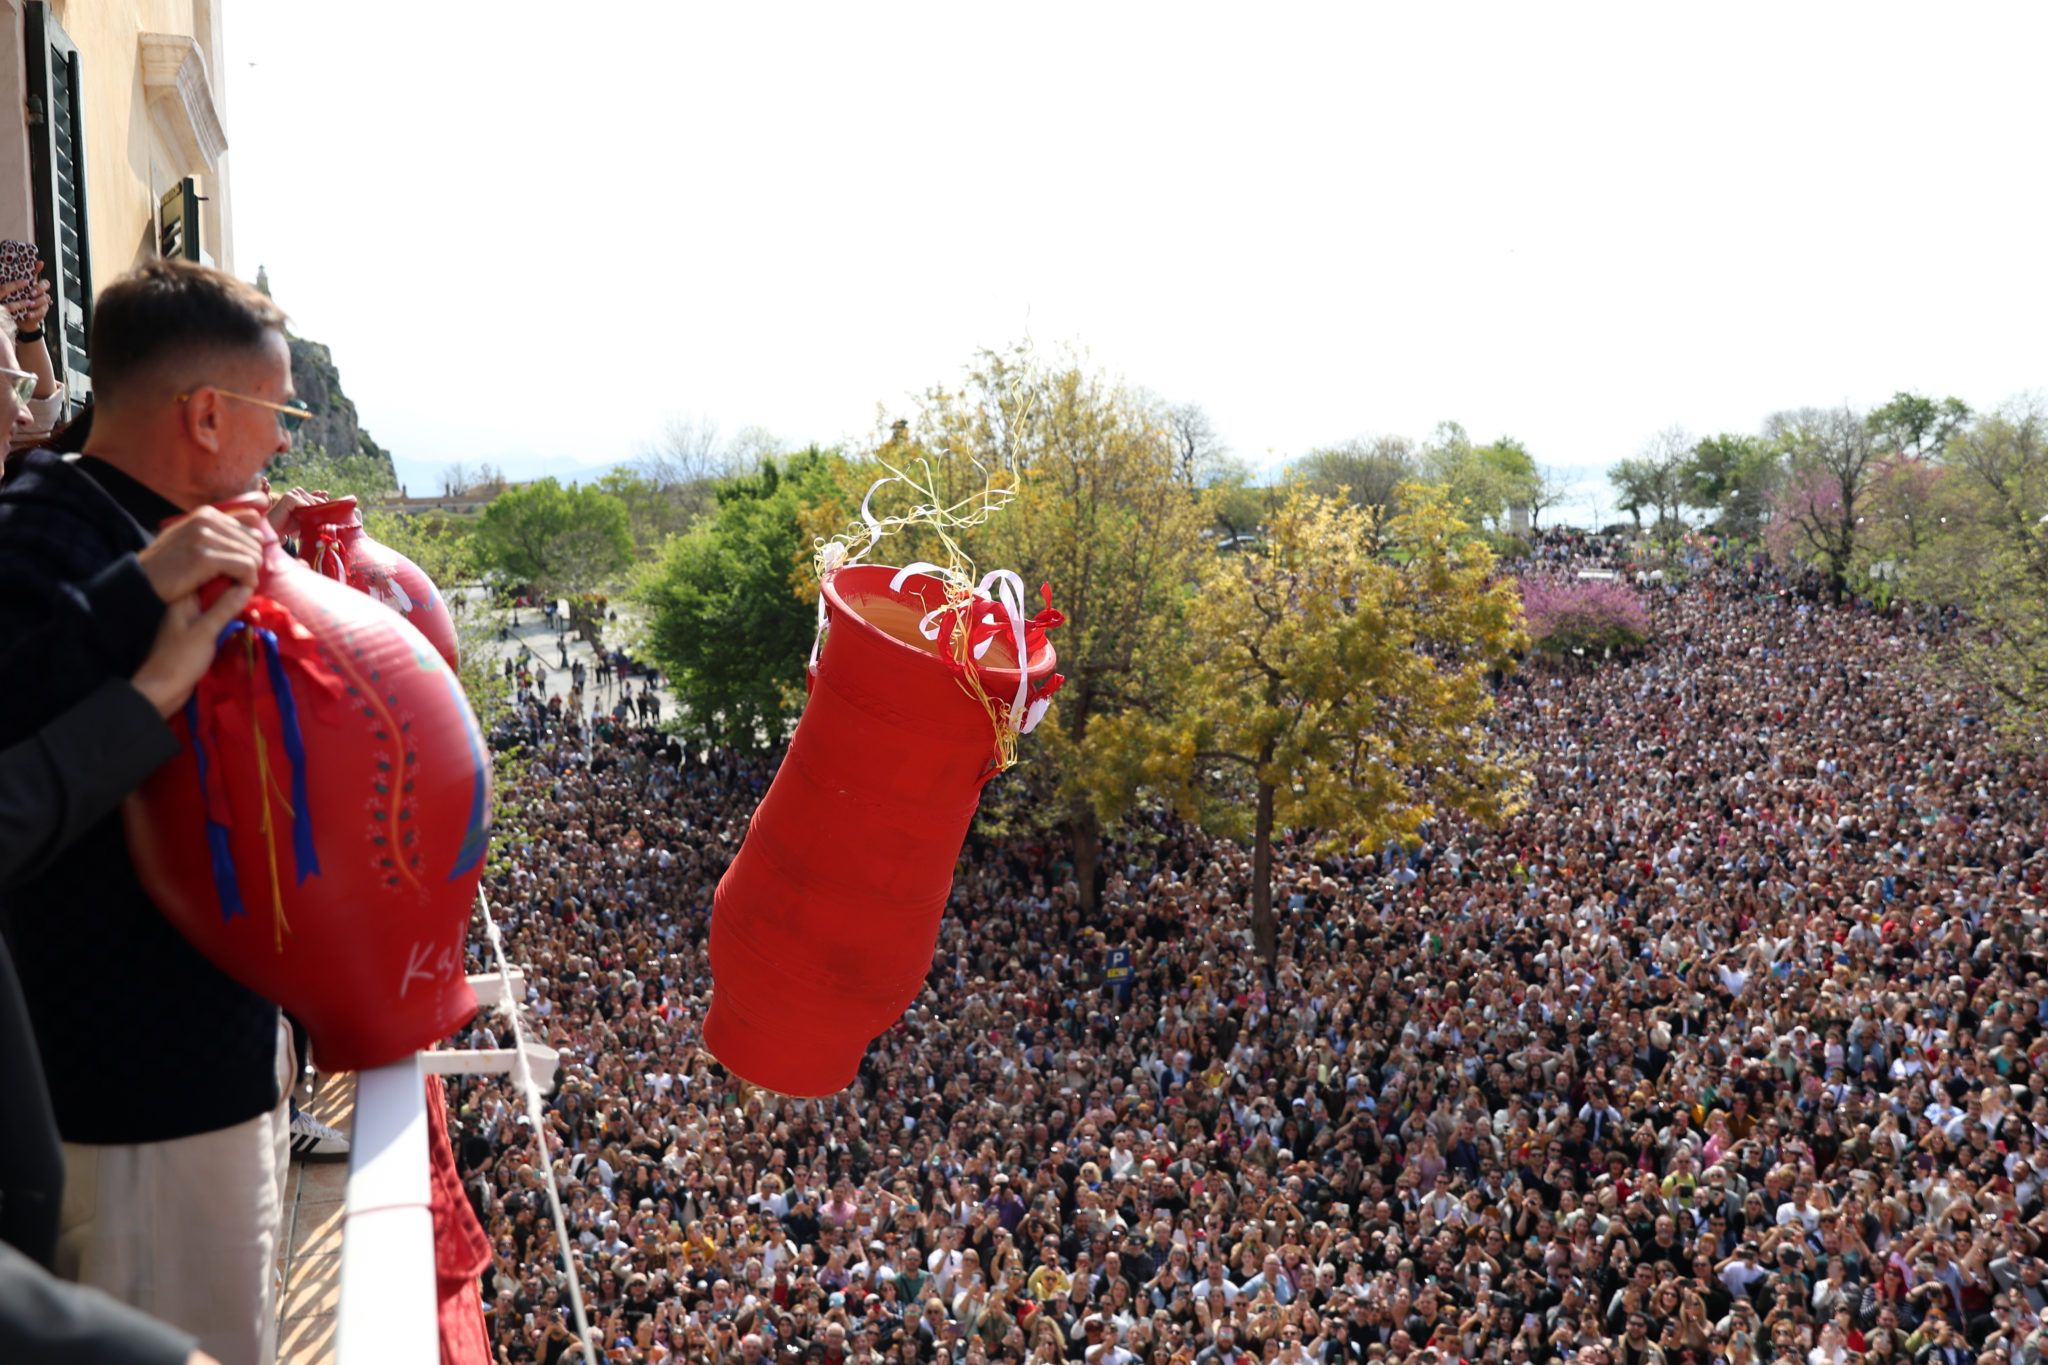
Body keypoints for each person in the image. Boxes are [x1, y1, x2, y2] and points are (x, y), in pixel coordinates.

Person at [0, 259, 299, 1365]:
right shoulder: (46, 538)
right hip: (137, 1101)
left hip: (198, 1073)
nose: (281, 445)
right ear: (207, 413)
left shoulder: (136, 524)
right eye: (278, 415)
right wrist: (139, 597)